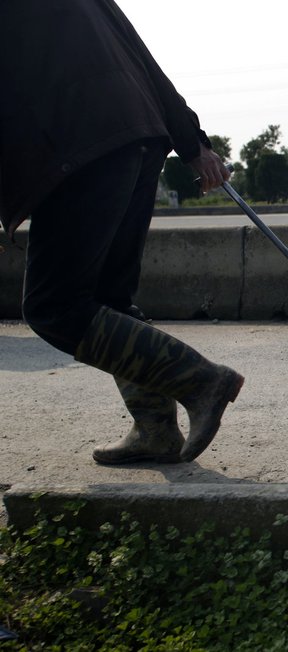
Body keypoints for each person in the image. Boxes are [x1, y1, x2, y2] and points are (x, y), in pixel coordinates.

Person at [0, 0, 244, 464]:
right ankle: (154, 430)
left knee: (55, 307)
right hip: (136, 132)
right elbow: (139, 53)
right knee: (110, 299)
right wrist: (191, 142)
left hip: (75, 143)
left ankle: (200, 379)